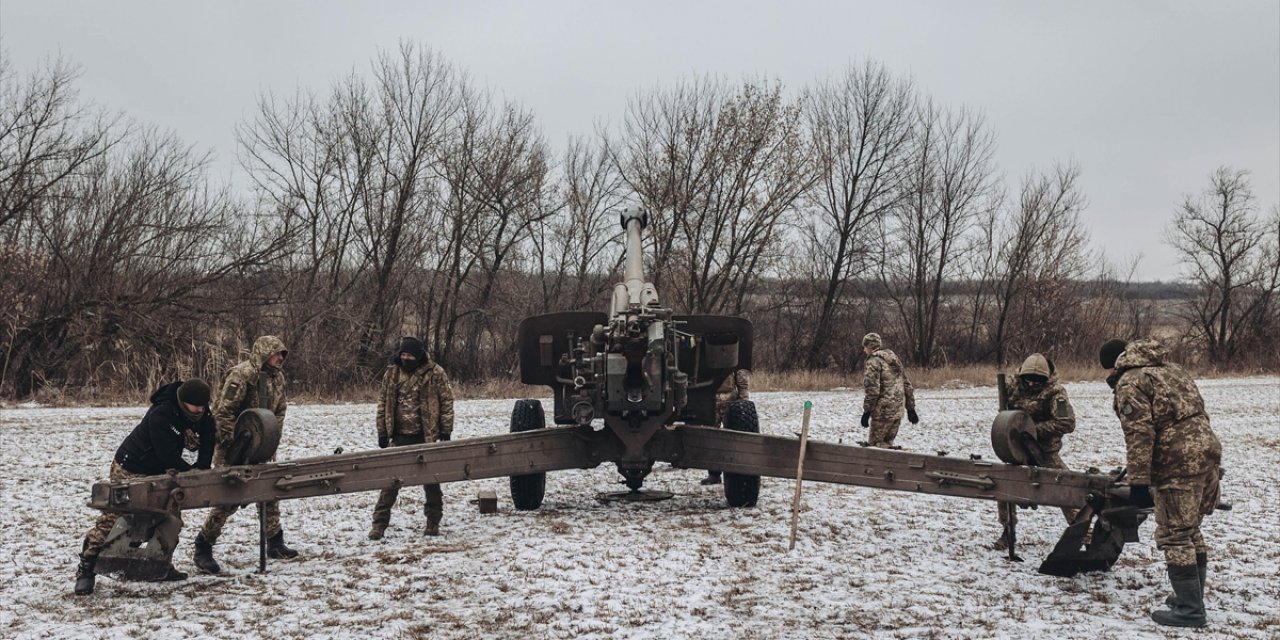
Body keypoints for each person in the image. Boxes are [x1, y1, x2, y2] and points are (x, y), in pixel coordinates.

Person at [1101, 337, 1222, 628]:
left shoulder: (1131, 381)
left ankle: (1191, 610)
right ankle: (1189, 598)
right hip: (1206, 453)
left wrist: (1139, 484)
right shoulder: (1171, 369)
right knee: (1189, 529)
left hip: (1176, 462)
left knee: (1175, 534)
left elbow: (1139, 434)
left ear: (1114, 363)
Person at [74, 379, 217, 595]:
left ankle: (161, 565)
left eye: (202, 406)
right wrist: (189, 472)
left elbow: (209, 436)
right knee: (113, 517)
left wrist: (203, 467)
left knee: (171, 516)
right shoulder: (161, 413)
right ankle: (86, 570)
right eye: (194, 406)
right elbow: (166, 454)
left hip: (161, 471)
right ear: (182, 401)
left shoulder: (202, 412)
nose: (198, 411)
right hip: (131, 466)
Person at [192, 335, 295, 574]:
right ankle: (203, 546)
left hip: (263, 444)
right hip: (235, 448)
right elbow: (223, 413)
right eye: (276, 353)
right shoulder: (241, 375)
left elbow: (279, 411)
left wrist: (270, 439)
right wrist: (233, 445)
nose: (280, 358)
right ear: (264, 353)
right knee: (229, 498)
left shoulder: (277, 378)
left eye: (282, 354)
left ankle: (275, 542)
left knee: (271, 490)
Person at [369, 336, 455, 540]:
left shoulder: (435, 373)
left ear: (419, 355)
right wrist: (382, 432)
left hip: (426, 436)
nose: (406, 358)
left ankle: (433, 521)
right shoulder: (392, 373)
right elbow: (383, 403)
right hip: (399, 437)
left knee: (432, 482)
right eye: (403, 354)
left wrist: (445, 430)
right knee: (390, 483)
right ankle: (379, 524)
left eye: (410, 355)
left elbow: (447, 401)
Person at [993, 353, 1077, 550]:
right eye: (1027, 379)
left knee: (1066, 488)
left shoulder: (1057, 393)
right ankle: (1008, 531)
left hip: (1045, 451)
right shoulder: (1012, 386)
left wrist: (1033, 430)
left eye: (1037, 380)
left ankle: (1081, 530)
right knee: (1004, 486)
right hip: (1016, 449)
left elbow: (1067, 422)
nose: (1031, 383)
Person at [860, 332, 917, 448]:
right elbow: (907, 385)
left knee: (875, 447)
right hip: (897, 410)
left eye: (865, 347)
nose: (864, 350)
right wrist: (911, 409)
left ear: (870, 347)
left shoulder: (873, 362)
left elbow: (873, 390)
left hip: (882, 412)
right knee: (887, 447)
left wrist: (866, 412)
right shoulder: (894, 359)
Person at [700, 369, 750, 485]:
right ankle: (714, 474)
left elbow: (741, 379)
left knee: (733, 438)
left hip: (730, 401)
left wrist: (743, 400)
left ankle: (735, 473)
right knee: (712, 439)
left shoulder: (732, 358)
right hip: (710, 400)